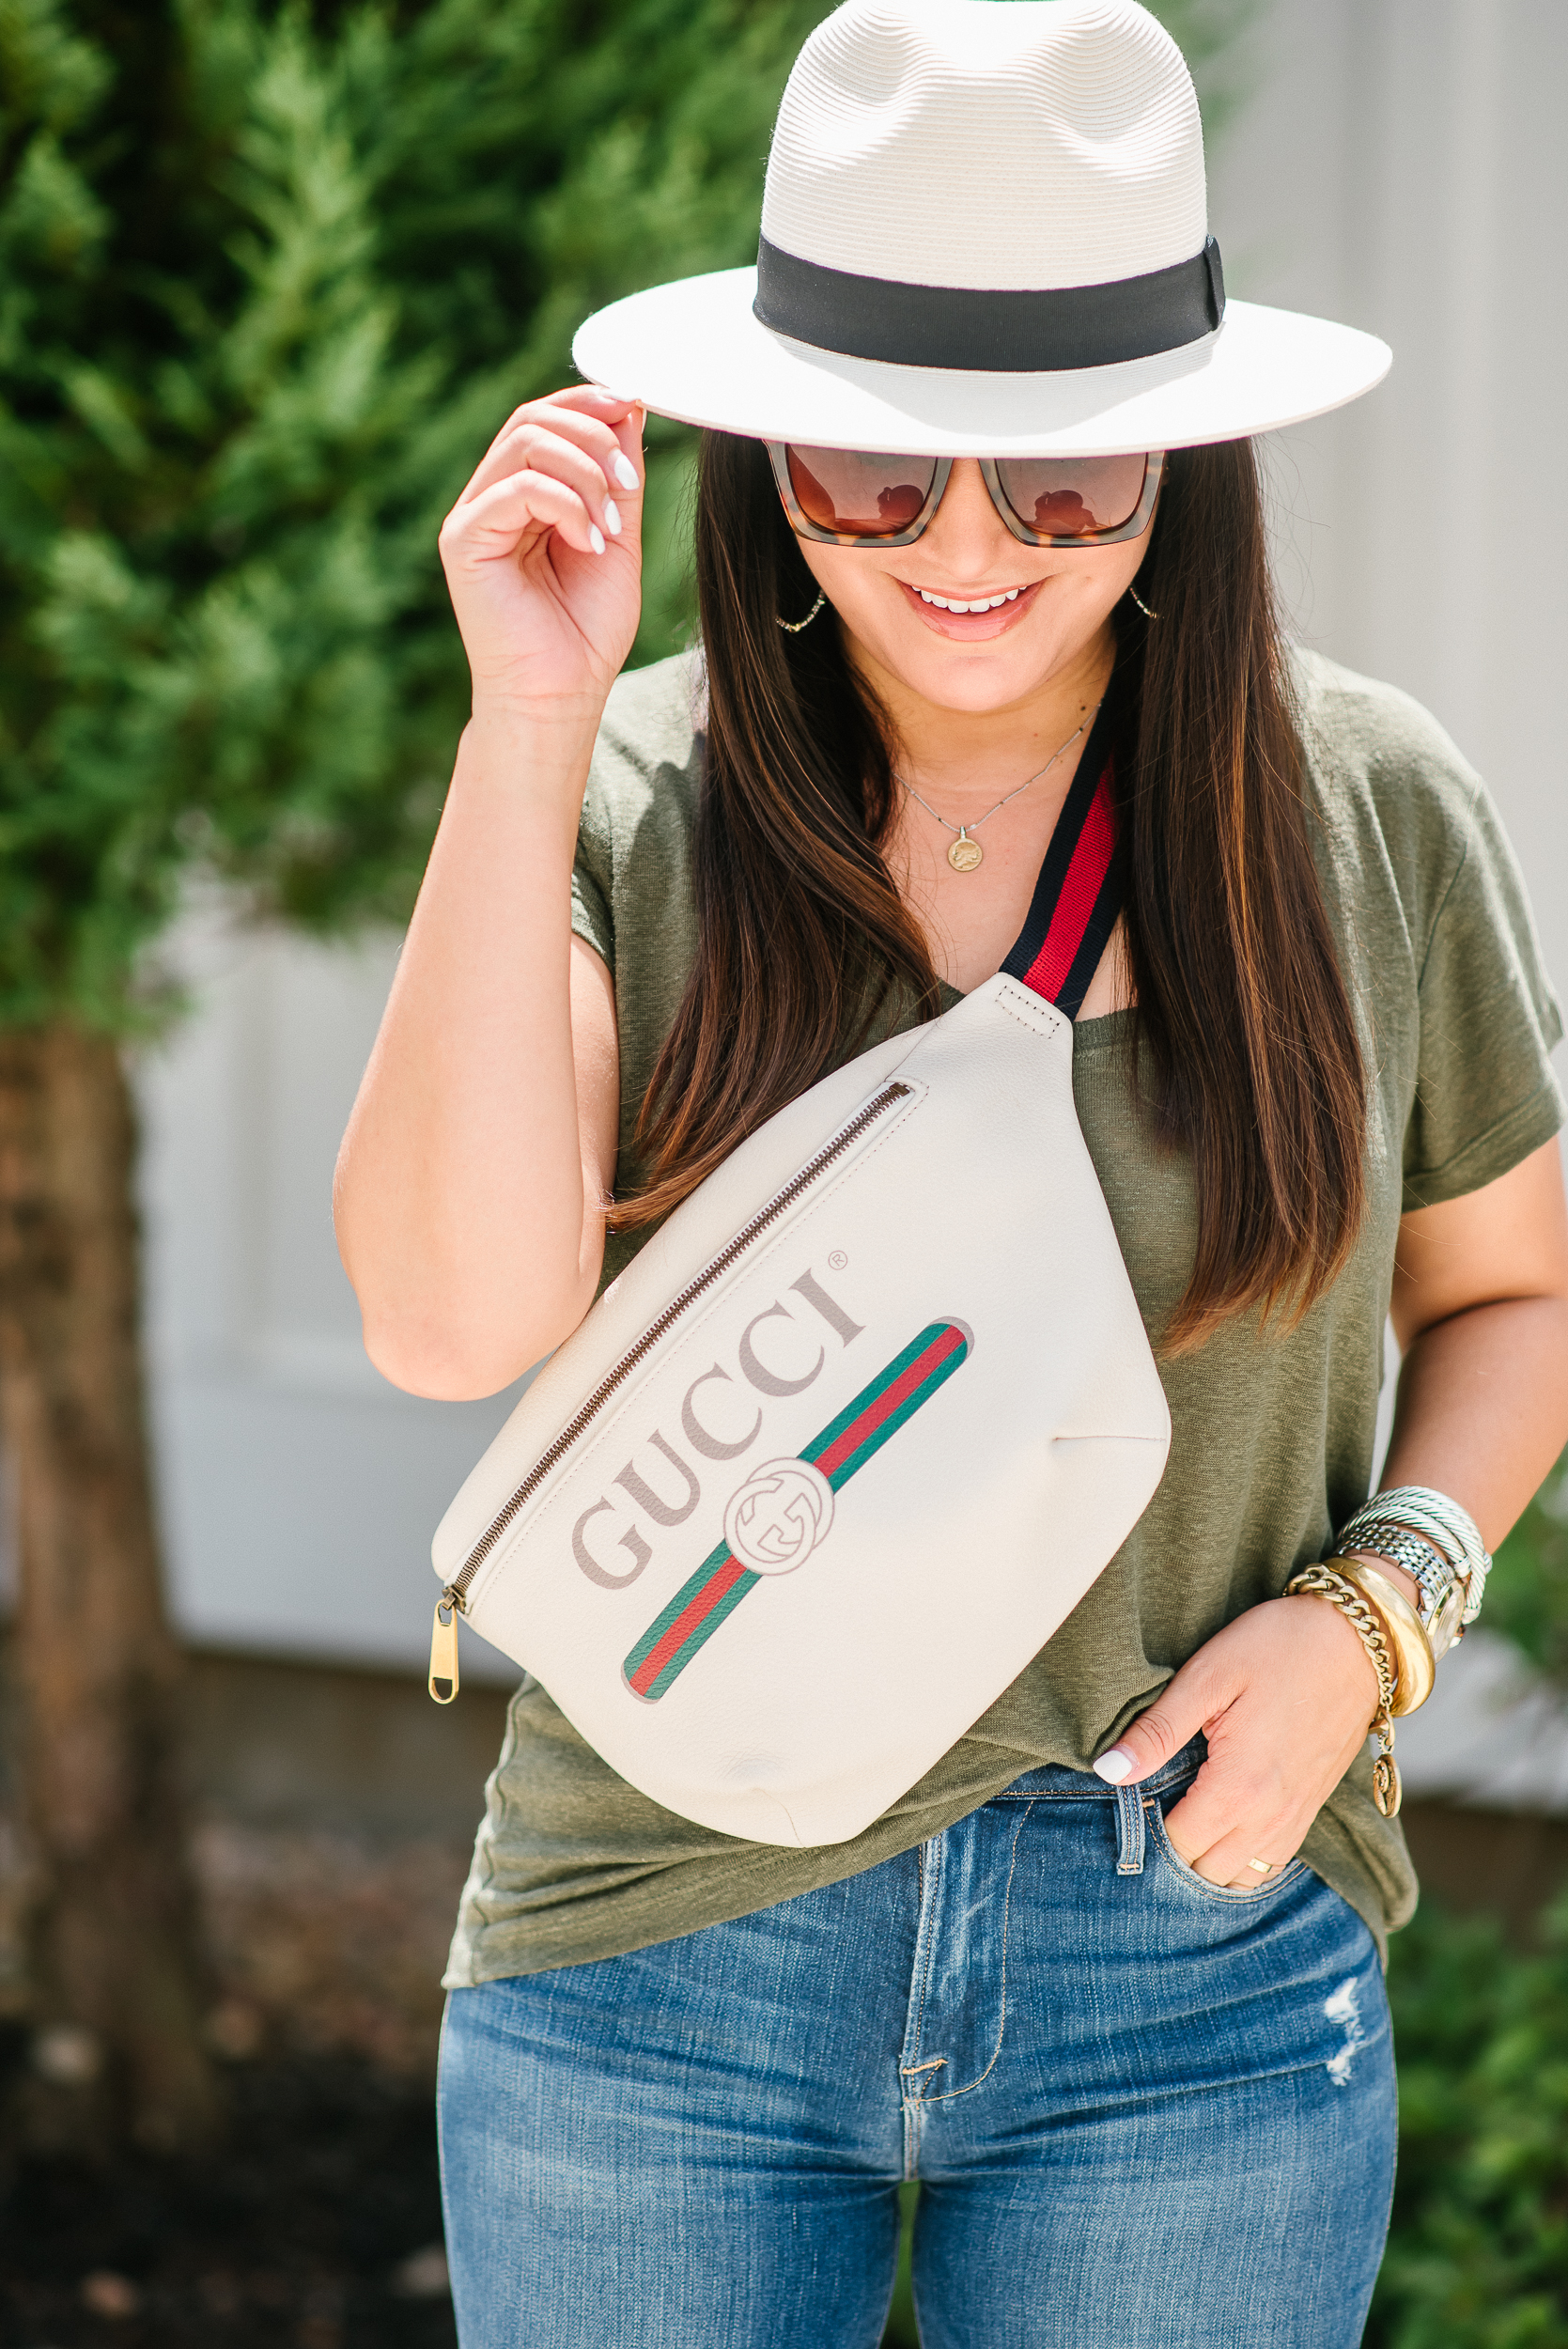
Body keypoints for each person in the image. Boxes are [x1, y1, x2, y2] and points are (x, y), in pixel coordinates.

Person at [334, 4, 1568, 2342]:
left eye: (1065, 475)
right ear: (765, 446)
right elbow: (446, 1316)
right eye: (878, 467)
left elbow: (1517, 1289)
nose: (972, 544)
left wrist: (1376, 1610)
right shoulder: (633, 803)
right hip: (658, 1942)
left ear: (1180, 454)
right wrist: (528, 715)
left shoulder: (1360, 812)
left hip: (1191, 1943)